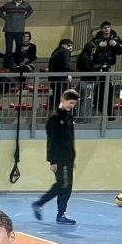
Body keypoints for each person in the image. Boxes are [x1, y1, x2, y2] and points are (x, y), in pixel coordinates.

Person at [32, 90, 79, 225]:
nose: (72, 106)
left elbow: (70, 139)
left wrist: (72, 157)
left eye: (74, 104)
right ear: (63, 100)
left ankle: (59, 213)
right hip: (59, 158)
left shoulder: (69, 117)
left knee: (66, 186)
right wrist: (52, 161)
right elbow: (52, 140)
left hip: (68, 158)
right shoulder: (55, 118)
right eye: (70, 103)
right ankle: (41, 204)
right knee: (63, 184)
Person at [91, 21, 122, 118]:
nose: (106, 29)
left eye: (108, 27)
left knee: (108, 89)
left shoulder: (115, 38)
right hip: (98, 66)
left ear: (110, 28)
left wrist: (115, 45)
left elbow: (121, 51)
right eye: (104, 27)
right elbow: (90, 50)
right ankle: (100, 107)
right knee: (99, 88)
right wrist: (99, 47)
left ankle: (108, 111)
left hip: (109, 66)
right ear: (102, 29)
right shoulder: (96, 39)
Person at [0, 0, 34, 69]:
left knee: (19, 49)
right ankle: (7, 66)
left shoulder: (26, 5)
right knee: (8, 49)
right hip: (9, 30)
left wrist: (23, 18)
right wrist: (6, 18)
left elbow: (31, 11)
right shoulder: (8, 4)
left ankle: (17, 65)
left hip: (19, 30)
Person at [47, 39, 74, 108]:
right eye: (69, 46)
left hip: (53, 78)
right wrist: (69, 74)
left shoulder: (55, 52)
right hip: (62, 79)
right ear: (65, 45)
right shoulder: (65, 51)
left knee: (57, 100)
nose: (70, 48)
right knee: (66, 99)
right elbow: (66, 65)